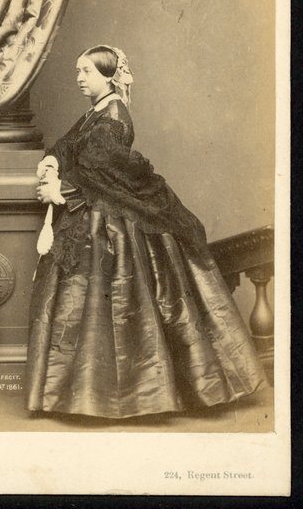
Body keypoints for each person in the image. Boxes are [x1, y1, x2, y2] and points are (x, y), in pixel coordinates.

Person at [25, 45, 267, 419]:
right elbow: (69, 145)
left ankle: (128, 395)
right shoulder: (95, 112)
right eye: (78, 71)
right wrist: (54, 163)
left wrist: (63, 190)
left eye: (86, 71)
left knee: (121, 303)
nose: (79, 78)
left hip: (112, 221)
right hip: (95, 212)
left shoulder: (114, 116)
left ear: (109, 77)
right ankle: (86, 393)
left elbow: (103, 171)